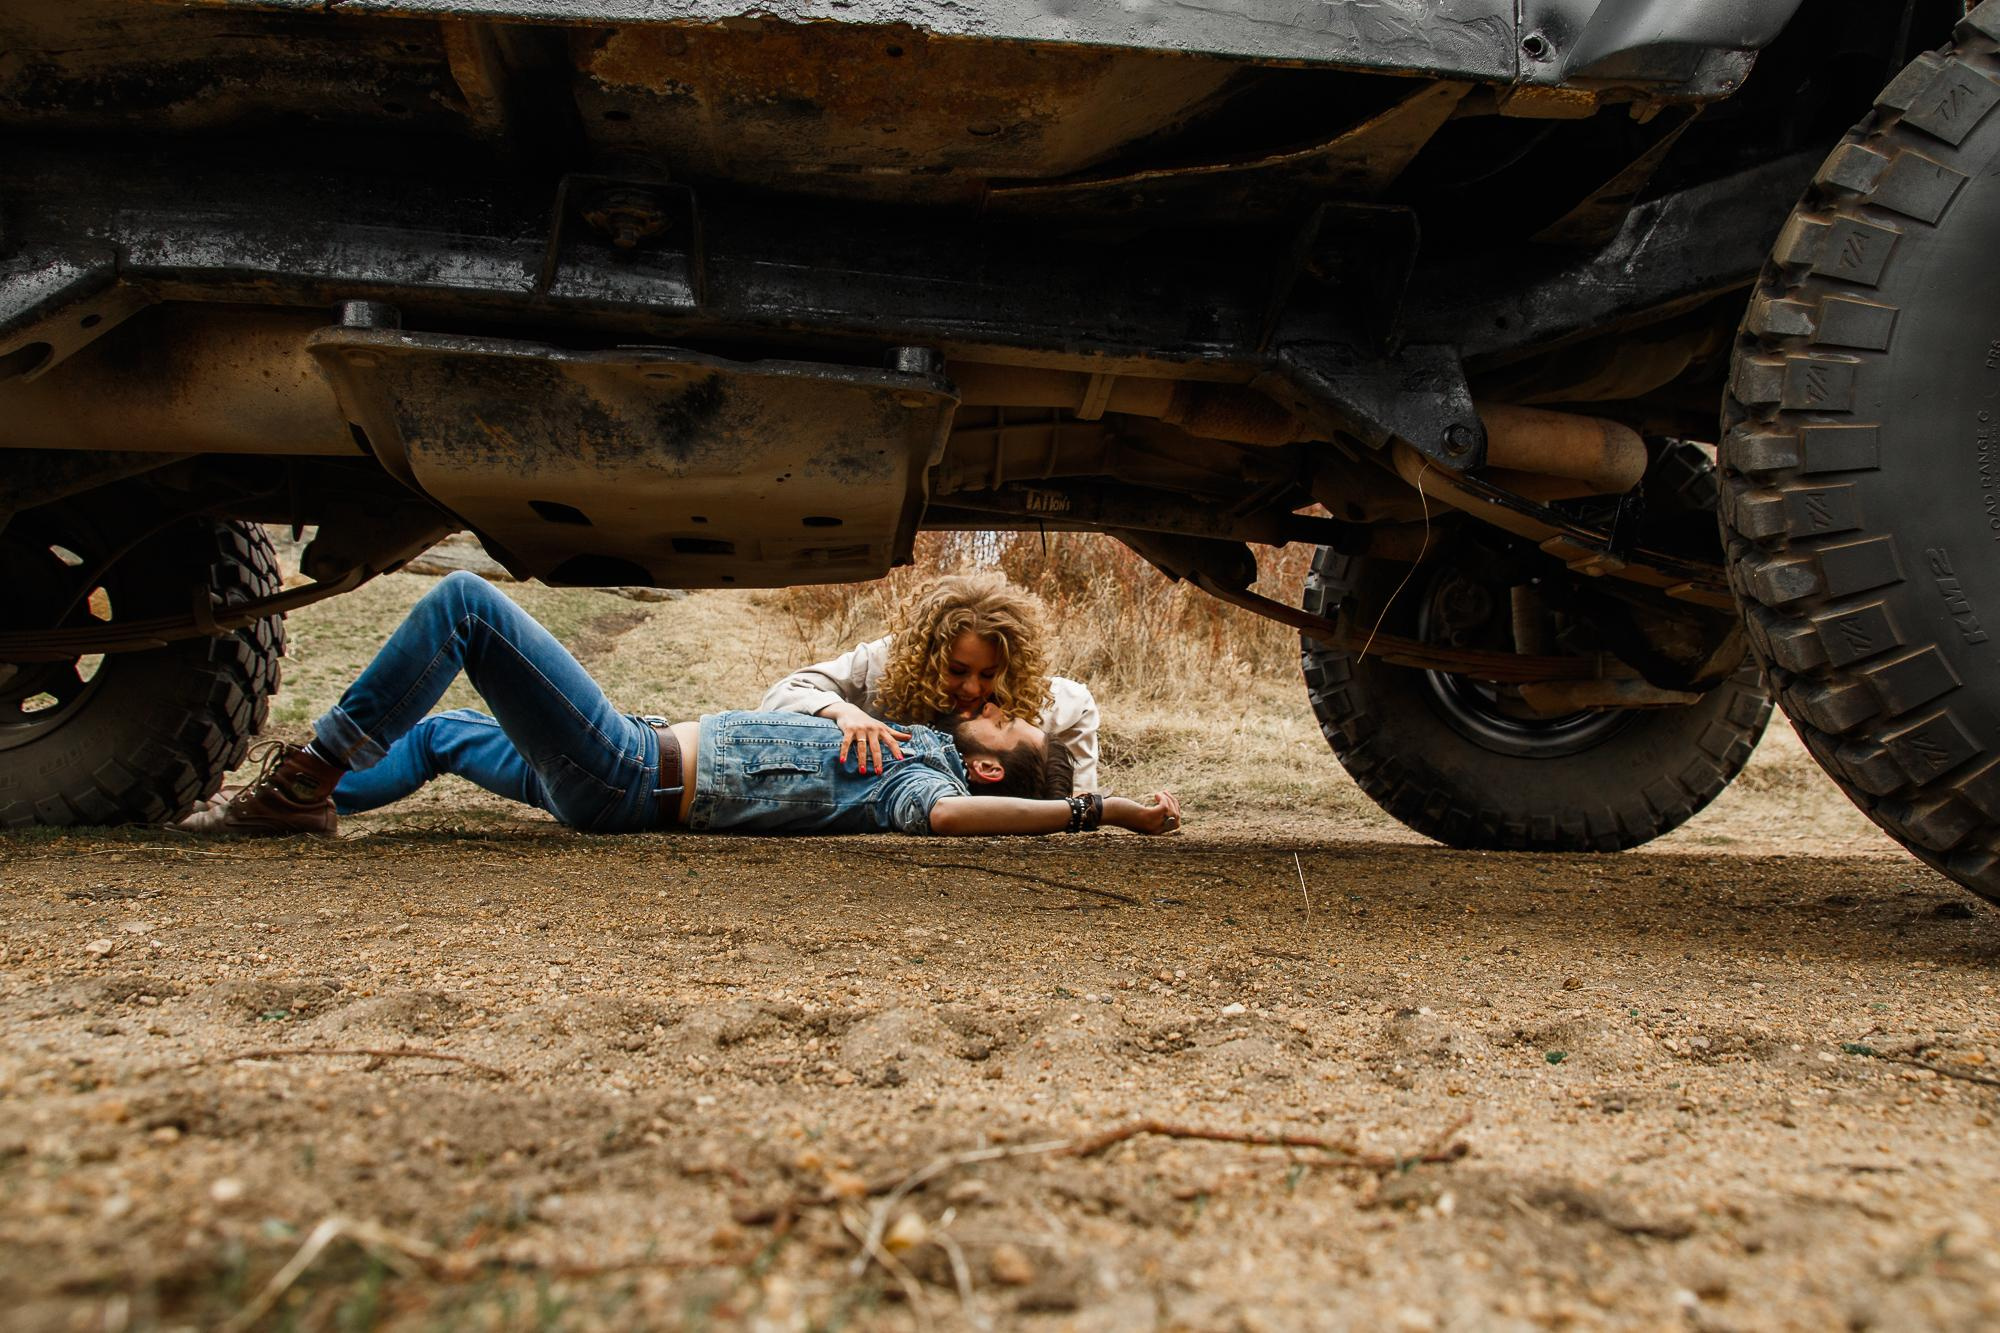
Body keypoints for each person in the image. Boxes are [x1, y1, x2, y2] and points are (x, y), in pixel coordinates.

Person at [175, 571, 1179, 839]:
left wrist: (1097, 809)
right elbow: (801, 692)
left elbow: (967, 808)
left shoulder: (922, 776)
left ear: (996, 755)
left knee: (465, 608)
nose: (990, 701)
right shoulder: (902, 719)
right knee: (438, 734)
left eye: (1004, 712)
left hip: (625, 773)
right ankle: (305, 808)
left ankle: (311, 768)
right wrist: (842, 716)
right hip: (632, 760)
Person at [761, 571, 1101, 793]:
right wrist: (844, 712)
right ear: (928, 658)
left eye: (987, 675)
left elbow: (1080, 704)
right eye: (956, 670)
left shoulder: (1021, 702)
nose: (971, 690)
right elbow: (783, 694)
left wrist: (1079, 789)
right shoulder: (883, 664)